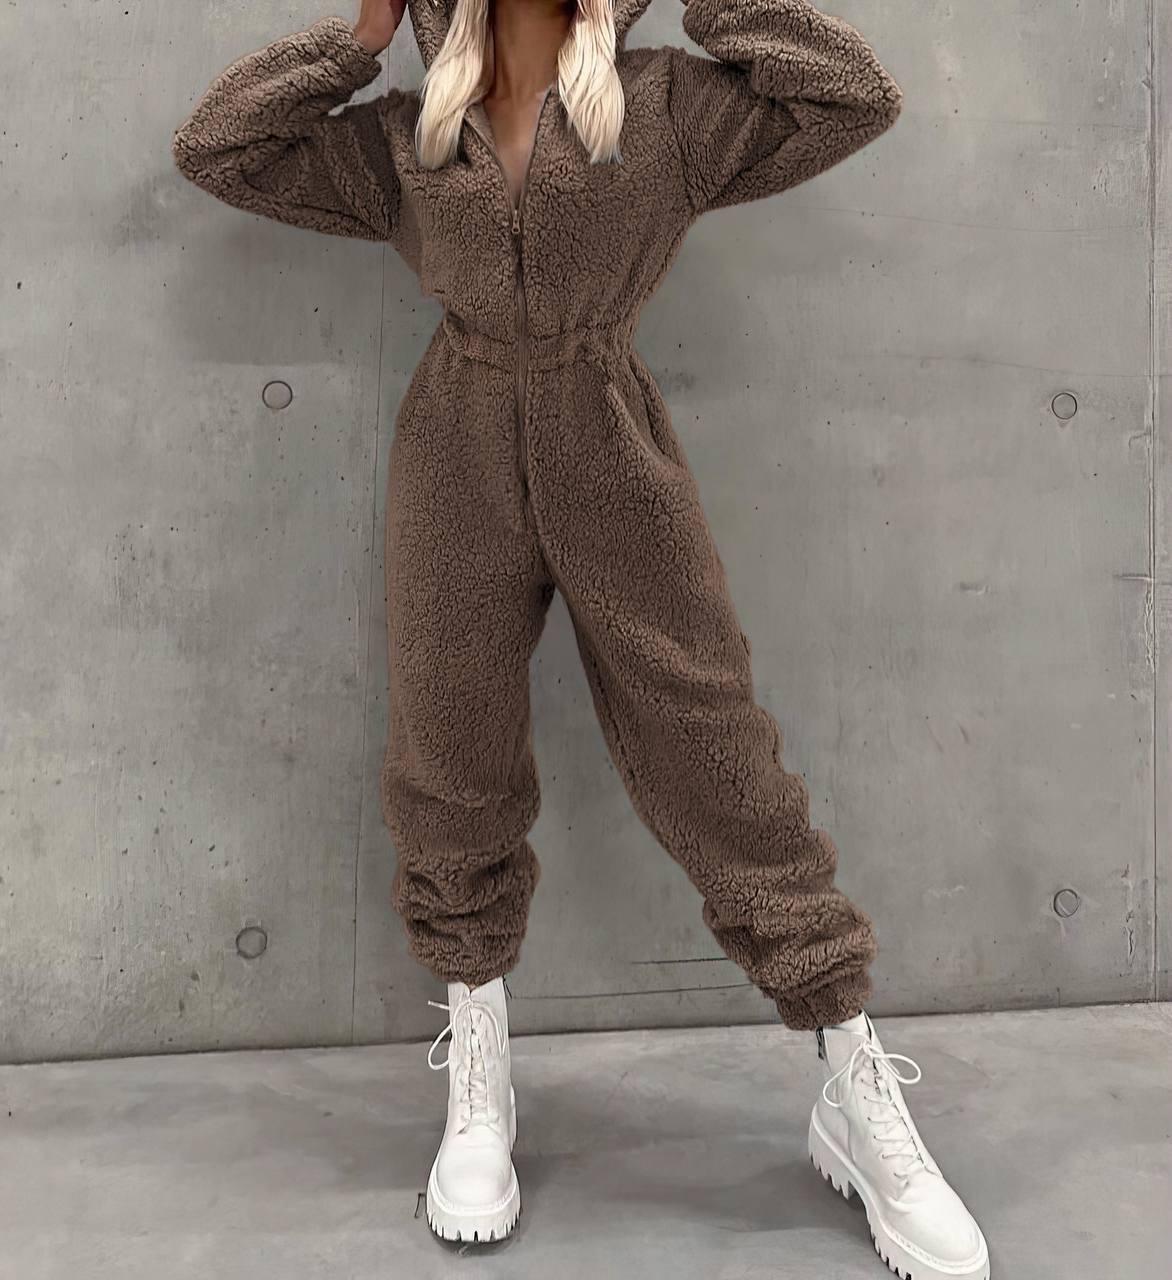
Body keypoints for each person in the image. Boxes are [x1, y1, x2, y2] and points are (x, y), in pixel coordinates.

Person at [172, 0, 990, 1274]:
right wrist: (358, 39)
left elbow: (853, 96)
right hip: (454, 453)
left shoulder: (666, 108)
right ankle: (480, 1071)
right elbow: (218, 149)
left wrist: (717, 7)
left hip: (609, 442)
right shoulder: (406, 138)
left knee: (719, 759)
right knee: (449, 758)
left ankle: (849, 1073)